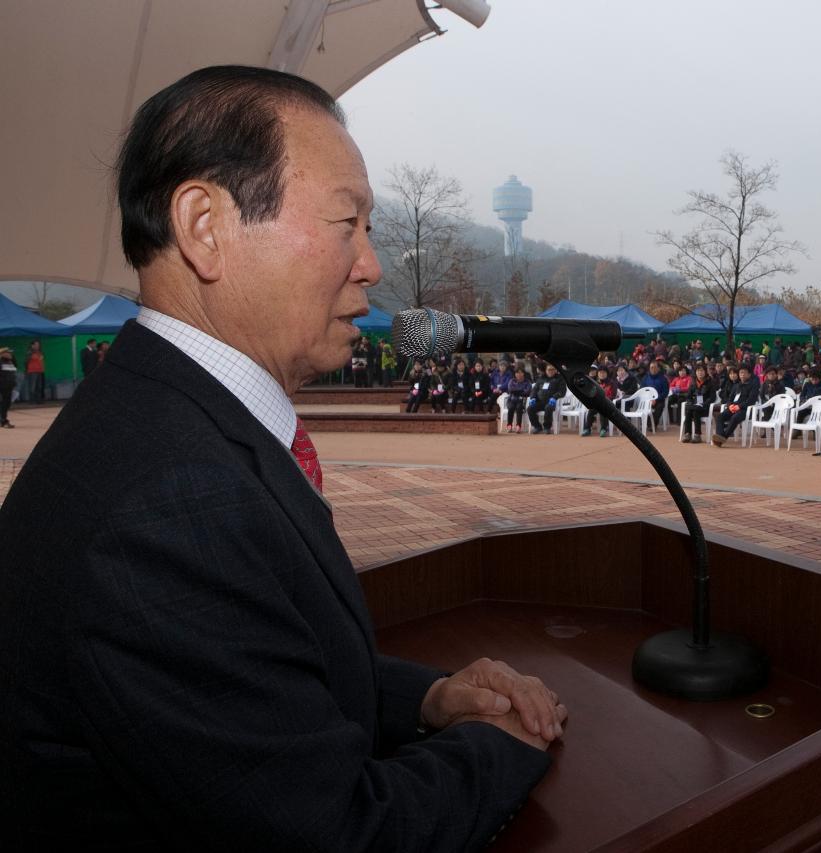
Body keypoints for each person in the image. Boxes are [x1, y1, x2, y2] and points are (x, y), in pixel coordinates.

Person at [0, 66, 564, 849]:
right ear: (205, 226)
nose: (370, 264)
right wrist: (500, 745)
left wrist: (431, 699)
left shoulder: (160, 420)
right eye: (347, 223)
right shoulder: (172, 505)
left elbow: (255, 685)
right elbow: (334, 829)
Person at [711, 365, 759, 446]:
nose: (742, 374)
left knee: (735, 418)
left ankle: (722, 438)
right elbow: (730, 399)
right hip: (733, 408)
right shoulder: (736, 386)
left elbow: (751, 401)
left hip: (745, 410)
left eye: (744, 373)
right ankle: (720, 437)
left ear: (749, 374)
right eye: (740, 373)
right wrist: (730, 405)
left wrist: (739, 406)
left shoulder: (753, 386)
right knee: (719, 417)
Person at [680, 364, 718, 443]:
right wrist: (690, 402)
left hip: (705, 407)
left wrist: (703, 404)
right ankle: (688, 434)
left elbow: (712, 397)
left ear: (705, 372)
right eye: (698, 371)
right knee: (690, 410)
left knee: (694, 410)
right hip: (694, 406)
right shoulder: (693, 383)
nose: (700, 373)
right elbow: (688, 396)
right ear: (695, 372)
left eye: (701, 371)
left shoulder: (710, 382)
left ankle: (697, 435)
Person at [526, 363, 566, 434]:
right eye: (549, 370)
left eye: (552, 369)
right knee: (530, 408)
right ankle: (537, 426)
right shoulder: (541, 379)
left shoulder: (560, 379)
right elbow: (534, 390)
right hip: (540, 402)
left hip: (551, 402)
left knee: (548, 408)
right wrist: (532, 398)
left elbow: (562, 391)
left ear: (556, 370)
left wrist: (554, 397)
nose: (551, 371)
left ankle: (547, 427)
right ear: (546, 370)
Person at [505, 367, 532, 433]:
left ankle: (518, 426)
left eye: (521, 372)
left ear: (523, 373)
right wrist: (521, 390)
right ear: (515, 374)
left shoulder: (527, 382)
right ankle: (509, 425)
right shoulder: (512, 381)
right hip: (511, 400)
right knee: (511, 408)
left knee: (519, 408)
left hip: (522, 401)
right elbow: (510, 390)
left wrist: (516, 391)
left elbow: (527, 392)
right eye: (517, 373)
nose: (519, 374)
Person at [0, 347, 16, 427]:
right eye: (8, 353)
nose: (11, 354)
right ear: (3, 354)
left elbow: (13, 373)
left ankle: (3, 419)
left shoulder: (11, 362)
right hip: (2, 386)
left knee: (7, 403)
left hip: (9, 386)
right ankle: (3, 421)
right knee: (4, 403)